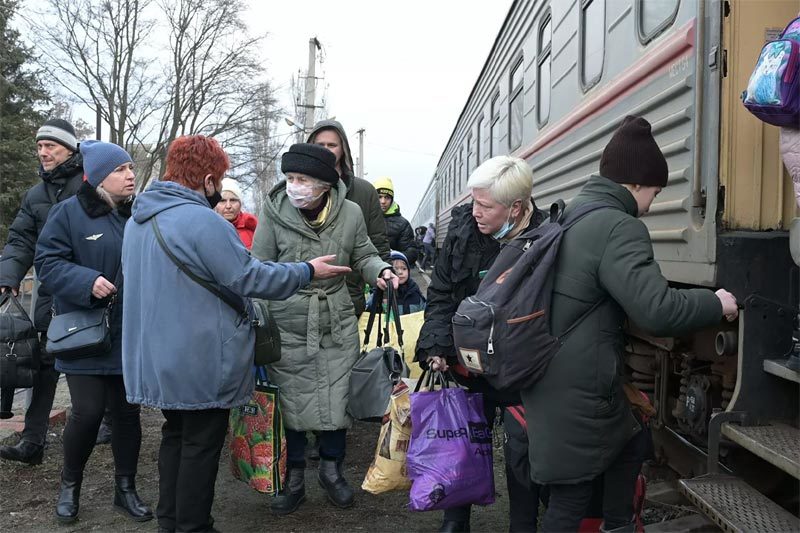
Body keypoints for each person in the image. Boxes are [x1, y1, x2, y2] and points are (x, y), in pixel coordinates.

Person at [520, 116, 739, 532]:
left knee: (629, 445)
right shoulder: (619, 226)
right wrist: (715, 302)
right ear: (636, 184)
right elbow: (656, 310)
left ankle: (619, 524)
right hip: (577, 389)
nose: (654, 202)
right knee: (571, 498)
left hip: (558, 377)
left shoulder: (573, 212)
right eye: (655, 191)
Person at [121, 135, 349, 533]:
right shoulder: (201, 220)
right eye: (219, 180)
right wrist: (307, 271)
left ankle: (170, 522)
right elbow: (249, 276)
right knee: (201, 445)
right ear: (208, 179)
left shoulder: (140, 220)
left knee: (175, 436)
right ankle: (193, 526)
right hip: (200, 357)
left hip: (156, 357)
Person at [250, 143, 398, 515]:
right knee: (292, 403)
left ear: (323, 184)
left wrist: (379, 271)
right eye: (290, 178)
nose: (294, 185)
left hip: (336, 321)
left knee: (337, 400)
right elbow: (259, 266)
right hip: (289, 322)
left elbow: (363, 252)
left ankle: (332, 471)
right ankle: (294, 477)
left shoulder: (349, 213)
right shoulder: (274, 211)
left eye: (302, 179)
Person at [414, 155, 545, 533]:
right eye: (473, 202)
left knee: (523, 452)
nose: (475, 212)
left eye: (485, 206)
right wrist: (437, 346)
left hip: (522, 370)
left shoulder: (546, 237)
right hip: (470, 366)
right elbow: (441, 294)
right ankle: (456, 520)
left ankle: (523, 524)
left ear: (516, 208)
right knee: (465, 440)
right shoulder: (462, 234)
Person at [33, 141, 151, 523]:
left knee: (127, 413)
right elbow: (47, 263)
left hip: (129, 333)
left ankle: (125, 489)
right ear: (98, 176)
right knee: (86, 413)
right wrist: (88, 281)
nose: (130, 174)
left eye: (131, 168)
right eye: (121, 169)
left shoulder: (141, 216)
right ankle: (70, 487)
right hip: (85, 334)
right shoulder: (68, 213)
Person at [0, 119, 84, 465]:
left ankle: (108, 422)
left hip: (88, 293)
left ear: (69, 149)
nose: (43, 152)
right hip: (50, 300)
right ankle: (33, 441)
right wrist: (8, 276)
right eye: (39, 146)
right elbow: (21, 240)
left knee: (94, 365)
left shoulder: (90, 186)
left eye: (51, 145)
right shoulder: (35, 196)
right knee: (46, 367)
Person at [307, 120, 391, 316]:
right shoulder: (297, 191)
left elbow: (377, 241)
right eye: (320, 145)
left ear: (343, 149)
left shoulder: (364, 191)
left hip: (348, 298)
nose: (326, 150)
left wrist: (383, 280)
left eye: (332, 145)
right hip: (301, 299)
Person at [372, 177, 419, 265]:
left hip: (392, 273)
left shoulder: (403, 224)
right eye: (379, 197)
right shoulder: (364, 218)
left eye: (387, 197)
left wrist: (395, 259)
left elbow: (411, 251)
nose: (383, 201)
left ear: (392, 199)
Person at [367, 250, 426, 315]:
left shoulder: (414, 291)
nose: (400, 272)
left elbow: (424, 312)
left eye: (404, 268)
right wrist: (383, 299)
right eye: (395, 269)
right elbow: (368, 309)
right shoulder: (380, 290)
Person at [215, 177, 259, 249]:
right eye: (222, 201)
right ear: (216, 204)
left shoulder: (255, 230)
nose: (228, 206)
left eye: (233, 200)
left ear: (240, 203)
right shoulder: (207, 230)